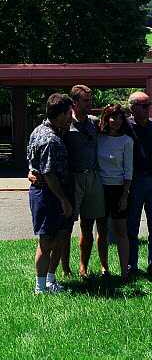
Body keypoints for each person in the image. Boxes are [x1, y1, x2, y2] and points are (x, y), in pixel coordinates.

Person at [28, 93, 73, 294]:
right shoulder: (49, 139)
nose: (71, 117)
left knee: (60, 237)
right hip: (48, 195)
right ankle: (40, 287)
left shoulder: (44, 130)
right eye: (69, 113)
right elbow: (48, 174)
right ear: (62, 114)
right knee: (47, 241)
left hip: (56, 194)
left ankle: (50, 281)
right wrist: (63, 200)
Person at [63, 85, 107, 278]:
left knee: (88, 226)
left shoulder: (94, 122)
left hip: (93, 178)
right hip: (73, 179)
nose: (90, 104)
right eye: (86, 101)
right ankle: (65, 268)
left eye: (90, 100)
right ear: (74, 103)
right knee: (66, 226)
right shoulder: (65, 124)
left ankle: (83, 267)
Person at [126, 91, 152, 277]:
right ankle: (131, 265)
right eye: (144, 105)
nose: (149, 108)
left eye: (149, 104)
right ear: (132, 108)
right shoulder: (124, 126)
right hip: (134, 182)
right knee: (131, 226)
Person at [96, 104, 134, 282]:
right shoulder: (99, 138)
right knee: (102, 231)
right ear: (105, 119)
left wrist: (125, 195)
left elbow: (128, 170)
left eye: (118, 117)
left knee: (121, 231)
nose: (115, 121)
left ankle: (124, 271)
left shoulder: (127, 140)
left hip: (119, 189)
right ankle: (104, 268)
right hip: (99, 188)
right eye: (111, 117)